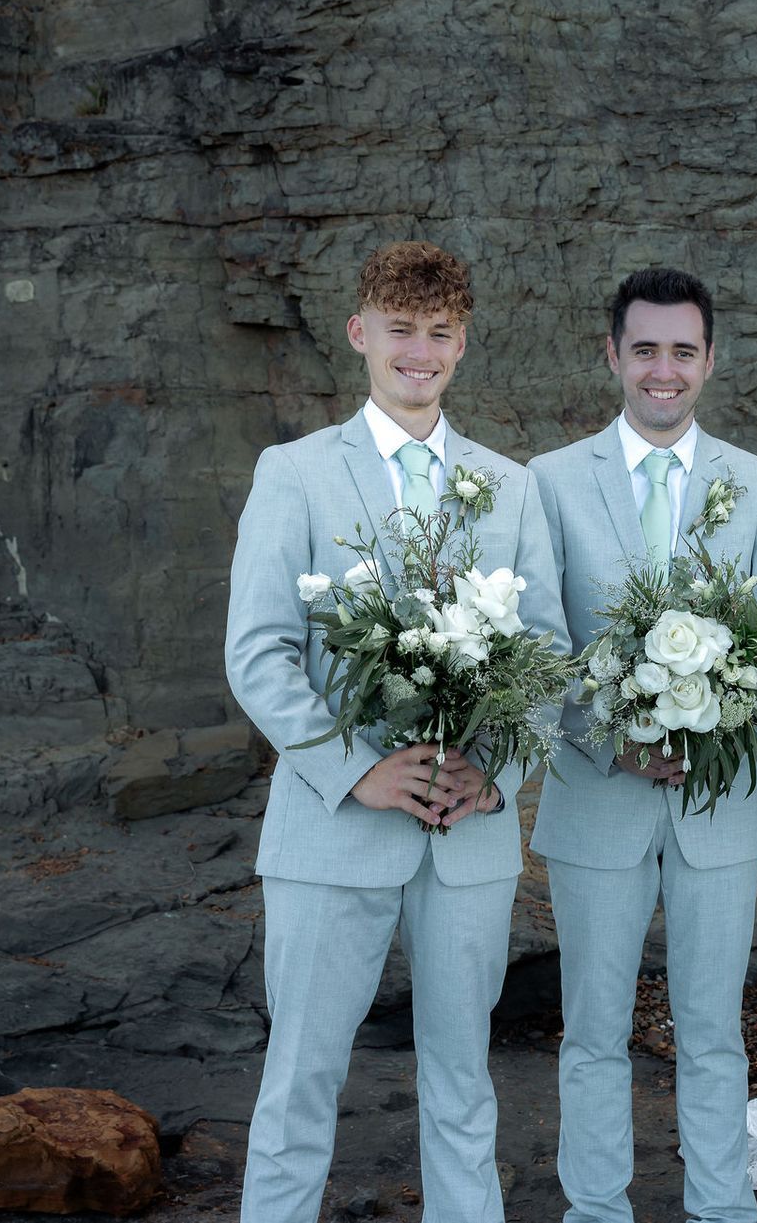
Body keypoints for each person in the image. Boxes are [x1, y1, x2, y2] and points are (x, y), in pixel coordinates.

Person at [224, 240, 568, 1223]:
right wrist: (356, 773)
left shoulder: (511, 486)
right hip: (332, 831)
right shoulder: (294, 474)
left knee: (464, 1086)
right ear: (359, 334)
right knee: (301, 1081)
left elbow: (547, 652)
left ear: (463, 344)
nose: (420, 352)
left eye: (441, 334)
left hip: (470, 832)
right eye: (402, 331)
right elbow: (258, 653)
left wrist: (497, 770)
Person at [528, 266, 757, 1223]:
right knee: (593, 1028)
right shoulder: (551, 482)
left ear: (710, 360)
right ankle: (597, 1210)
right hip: (596, 795)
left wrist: (706, 723)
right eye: (644, 349)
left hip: (719, 804)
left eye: (683, 351)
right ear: (613, 354)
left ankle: (721, 1209)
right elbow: (536, 643)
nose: (663, 369)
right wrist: (619, 733)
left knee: (715, 1029)